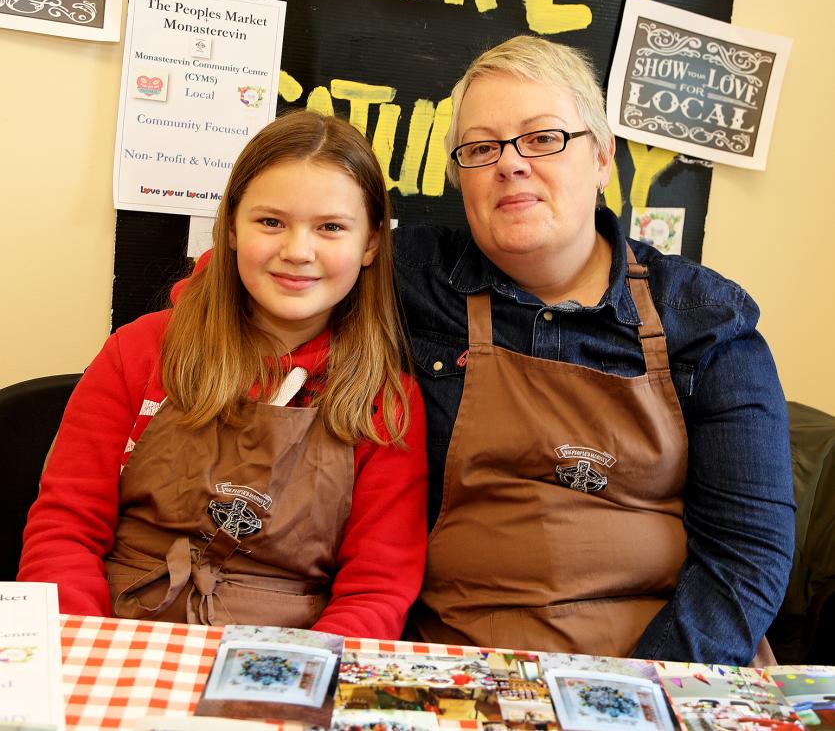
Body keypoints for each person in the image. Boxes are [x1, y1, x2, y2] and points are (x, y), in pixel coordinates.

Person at [393, 35, 795, 664]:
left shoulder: (706, 322)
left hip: (670, 668)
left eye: (544, 137)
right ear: (461, 179)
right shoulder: (410, 281)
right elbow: (271, 264)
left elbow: (746, 559)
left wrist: (630, 696)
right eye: (480, 148)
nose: (511, 163)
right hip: (455, 667)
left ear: (603, 156)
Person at [18, 111, 428, 638]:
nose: (297, 251)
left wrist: (296, 679)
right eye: (271, 222)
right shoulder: (139, 351)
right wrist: (80, 648)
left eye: (330, 227)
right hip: (119, 627)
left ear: (370, 244)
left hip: (288, 653)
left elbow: (376, 588)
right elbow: (64, 530)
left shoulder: (385, 400)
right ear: (232, 227)